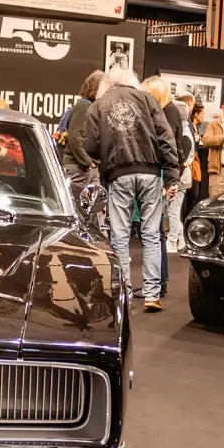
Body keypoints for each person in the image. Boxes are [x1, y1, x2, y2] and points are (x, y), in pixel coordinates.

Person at [82, 67, 179, 313]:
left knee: (120, 236)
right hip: (150, 173)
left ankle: (123, 293)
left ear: (109, 84)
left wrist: (105, 155)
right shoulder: (148, 100)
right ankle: (152, 294)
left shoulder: (99, 105)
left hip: (119, 175)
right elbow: (165, 138)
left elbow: (89, 144)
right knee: (151, 235)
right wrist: (171, 176)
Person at [142, 76, 191, 255]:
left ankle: (173, 242)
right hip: (170, 170)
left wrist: (170, 179)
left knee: (168, 214)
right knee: (166, 214)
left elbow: (168, 146)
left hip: (168, 171)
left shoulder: (168, 111)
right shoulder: (168, 110)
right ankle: (176, 241)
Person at [62, 70, 102, 191]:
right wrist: (87, 163)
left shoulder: (91, 107)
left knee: (96, 201)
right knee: (76, 200)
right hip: (79, 168)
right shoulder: (84, 106)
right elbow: (74, 138)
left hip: (87, 167)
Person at [182, 100, 209, 218]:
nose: (203, 116)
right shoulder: (189, 128)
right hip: (190, 164)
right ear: (196, 114)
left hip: (195, 164)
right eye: (202, 114)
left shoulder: (196, 128)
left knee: (194, 195)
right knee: (190, 195)